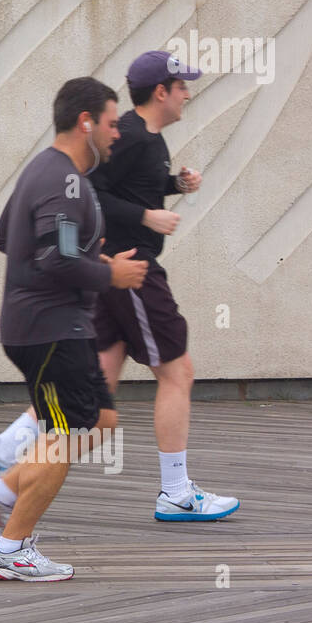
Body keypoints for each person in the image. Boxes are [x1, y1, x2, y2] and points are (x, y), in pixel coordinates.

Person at [0, 77, 147, 580]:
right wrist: (110, 272)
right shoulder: (64, 179)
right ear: (85, 122)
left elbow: (8, 238)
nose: (117, 135)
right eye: (111, 124)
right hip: (51, 329)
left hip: (52, 326)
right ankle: (9, 548)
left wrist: (89, 255)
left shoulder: (46, 171)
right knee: (65, 436)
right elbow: (54, 258)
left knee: (99, 421)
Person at [89, 51, 239, 521]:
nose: (188, 94)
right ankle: (176, 492)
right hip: (133, 270)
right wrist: (145, 216)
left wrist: (175, 183)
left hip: (115, 271)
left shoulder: (146, 139)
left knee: (92, 391)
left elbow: (129, 187)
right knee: (178, 374)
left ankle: (0, 469)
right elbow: (89, 191)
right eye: (183, 87)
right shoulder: (132, 136)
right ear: (162, 92)